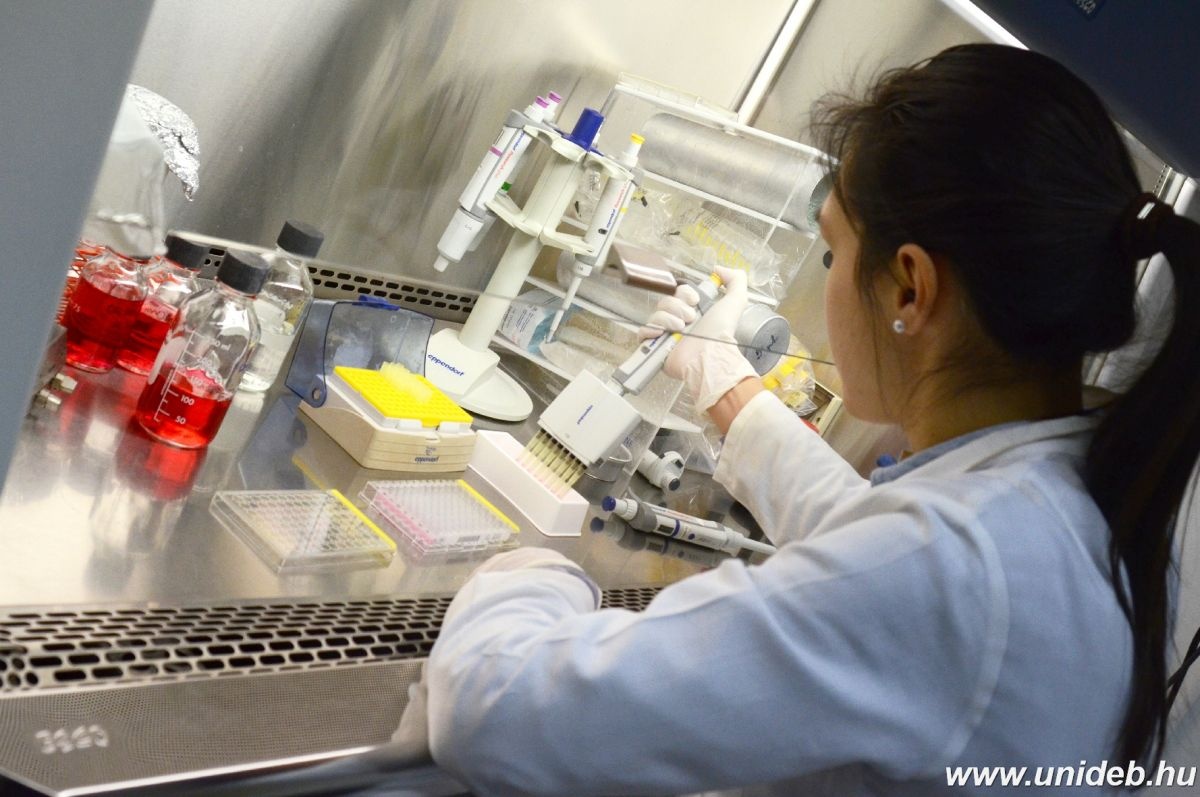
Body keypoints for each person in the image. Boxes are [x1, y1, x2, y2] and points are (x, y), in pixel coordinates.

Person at [396, 44, 1200, 795]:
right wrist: (726, 386)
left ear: (911, 288)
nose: (831, 277)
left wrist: (530, 572)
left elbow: (495, 710)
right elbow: (874, 538)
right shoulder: (1081, 495)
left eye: (833, 252)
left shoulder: (954, 566)